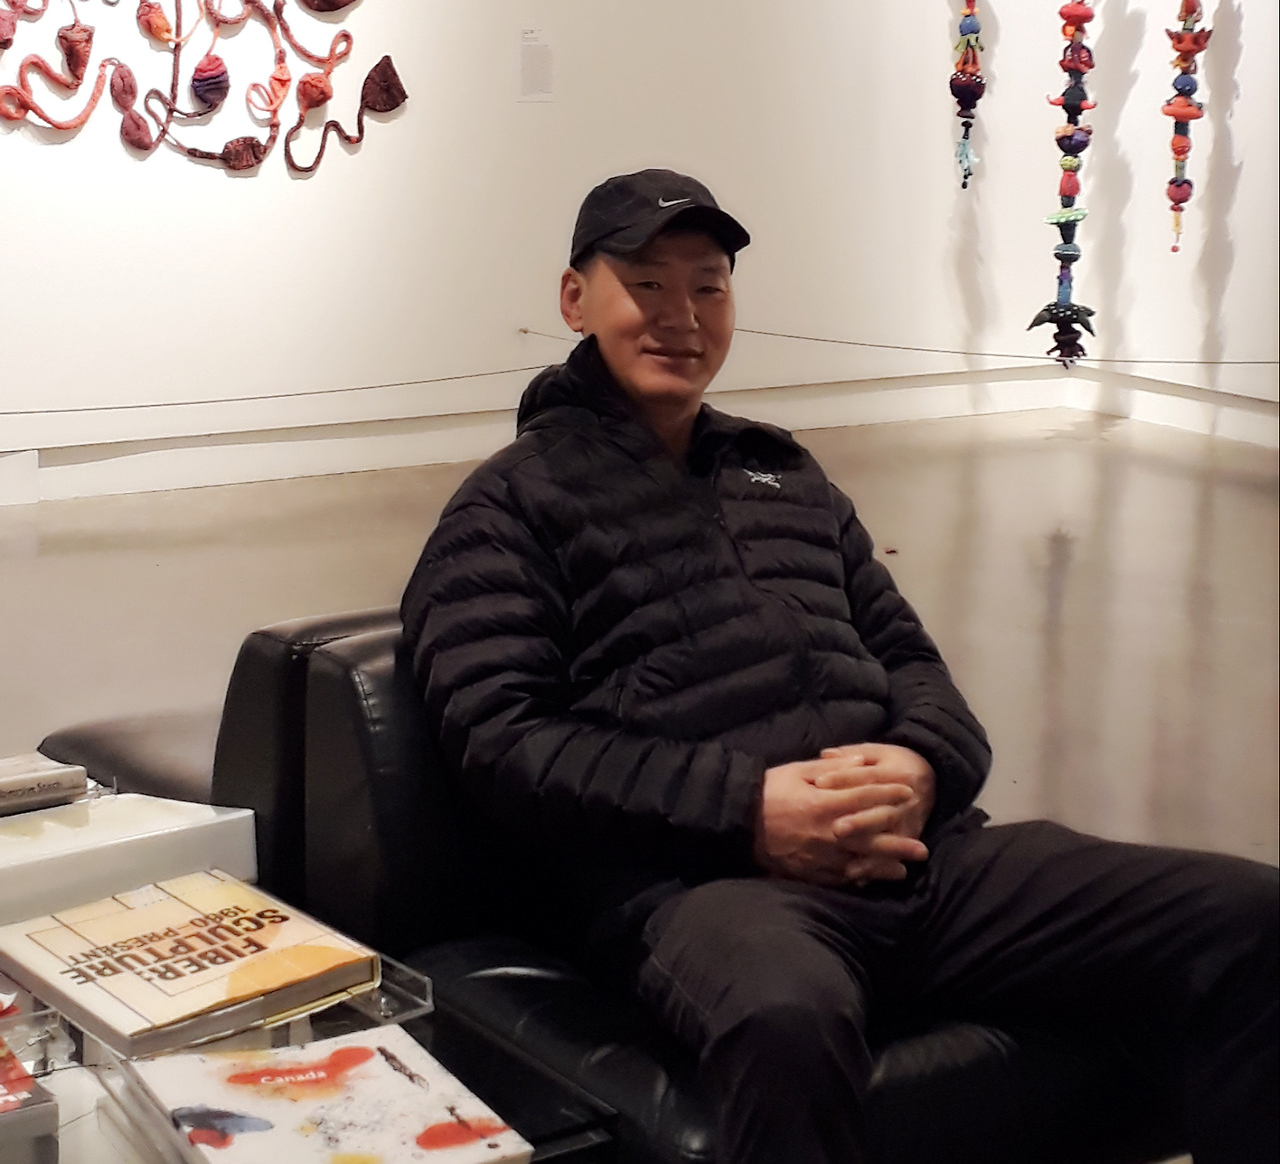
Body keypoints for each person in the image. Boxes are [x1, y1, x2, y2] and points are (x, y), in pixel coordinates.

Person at [400, 167, 1277, 1164]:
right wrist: (748, 810)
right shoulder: (511, 504)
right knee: (786, 1017)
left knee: (1246, 918)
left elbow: (907, 655)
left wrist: (923, 764)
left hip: (922, 859)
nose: (681, 315)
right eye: (645, 284)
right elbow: (503, 741)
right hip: (710, 888)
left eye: (707, 286)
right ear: (574, 299)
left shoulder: (779, 469)